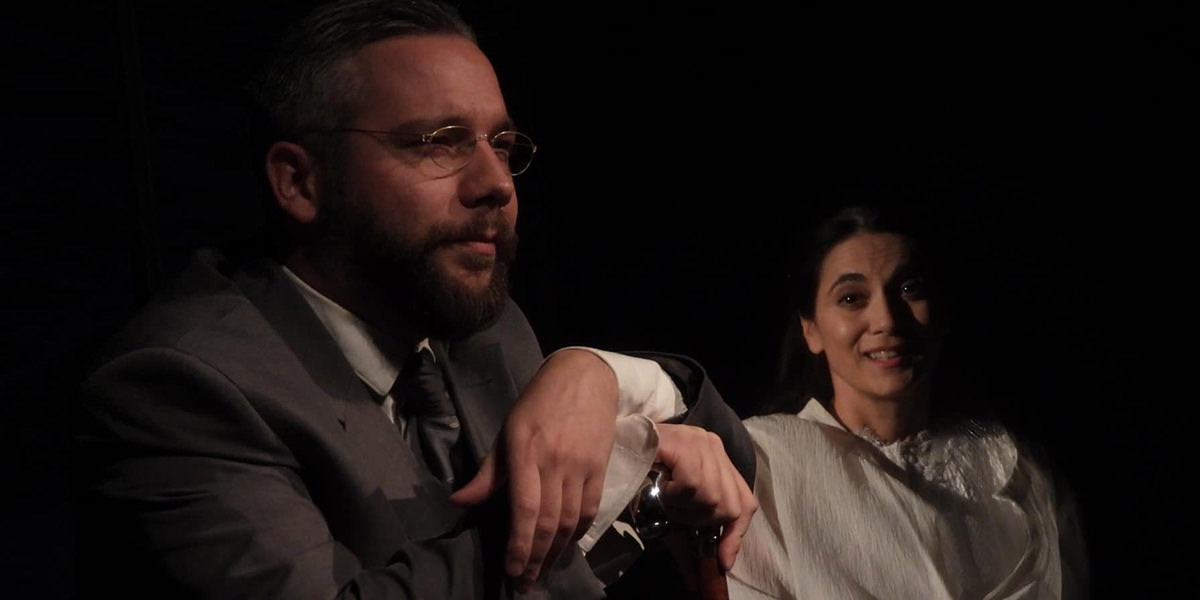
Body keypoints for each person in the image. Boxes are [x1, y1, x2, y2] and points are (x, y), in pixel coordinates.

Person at [73, 1, 755, 598]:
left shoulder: (480, 324)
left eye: (502, 145)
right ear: (300, 182)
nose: (497, 183)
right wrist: (620, 482)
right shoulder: (177, 386)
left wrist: (597, 373)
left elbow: (735, 461)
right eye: (440, 144)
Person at [726, 205, 1088, 599]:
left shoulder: (1019, 468)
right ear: (811, 330)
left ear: (942, 312)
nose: (886, 320)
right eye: (851, 298)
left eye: (909, 289)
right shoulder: (765, 463)